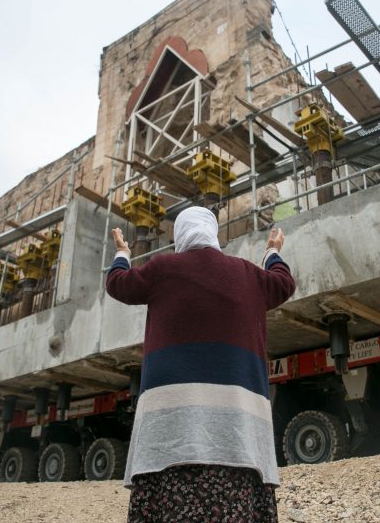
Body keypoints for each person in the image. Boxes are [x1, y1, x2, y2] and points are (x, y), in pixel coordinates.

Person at [106, 206, 295, 523]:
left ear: (180, 235)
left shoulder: (162, 269)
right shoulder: (247, 274)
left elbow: (117, 283)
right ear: (213, 233)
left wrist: (123, 253)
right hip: (236, 428)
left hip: (172, 425)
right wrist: (272, 253)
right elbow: (283, 283)